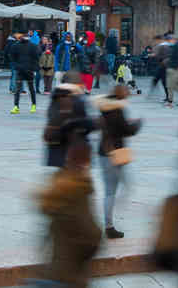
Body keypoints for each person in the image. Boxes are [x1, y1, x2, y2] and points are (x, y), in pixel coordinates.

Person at [35, 137, 101, 288]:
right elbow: (91, 234)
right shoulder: (78, 189)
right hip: (72, 274)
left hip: (54, 267)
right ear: (87, 160)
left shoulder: (57, 184)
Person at [96, 84, 141, 240]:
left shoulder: (105, 107)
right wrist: (137, 125)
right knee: (111, 192)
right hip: (114, 153)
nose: (128, 94)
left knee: (117, 188)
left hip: (105, 152)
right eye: (127, 92)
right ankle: (109, 226)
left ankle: (110, 219)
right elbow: (126, 130)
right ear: (122, 94)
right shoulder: (117, 110)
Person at [44, 83, 96, 169]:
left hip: (56, 150)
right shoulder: (77, 102)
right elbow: (86, 124)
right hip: (75, 148)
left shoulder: (54, 101)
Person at [9, 31, 40, 115]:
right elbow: (36, 58)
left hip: (22, 70)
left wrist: (16, 66)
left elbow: (12, 57)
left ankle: (18, 106)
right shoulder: (33, 46)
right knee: (29, 88)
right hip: (27, 70)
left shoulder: (16, 46)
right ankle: (30, 105)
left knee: (20, 89)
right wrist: (35, 69)